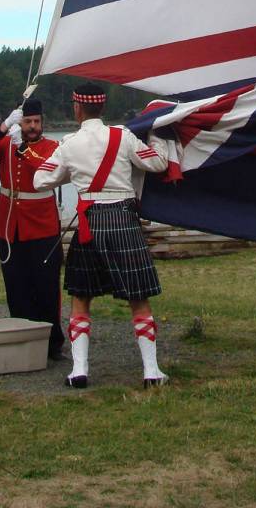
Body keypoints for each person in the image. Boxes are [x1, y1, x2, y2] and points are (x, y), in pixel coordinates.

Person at [33, 82, 170, 389]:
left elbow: (41, 179)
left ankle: (79, 371)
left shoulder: (67, 144)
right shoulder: (123, 136)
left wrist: (72, 173)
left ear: (77, 108)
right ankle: (151, 372)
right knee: (138, 296)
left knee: (81, 296)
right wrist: (160, 135)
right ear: (102, 107)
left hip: (89, 222)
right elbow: (158, 163)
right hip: (122, 218)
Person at [0, 98, 65, 359]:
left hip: (42, 227)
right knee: (16, 286)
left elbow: (45, 170)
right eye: (27, 121)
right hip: (10, 225)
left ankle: (52, 343)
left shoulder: (53, 146)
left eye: (36, 121)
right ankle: (22, 337)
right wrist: (4, 127)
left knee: (46, 287)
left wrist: (21, 149)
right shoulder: (6, 142)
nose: (32, 127)